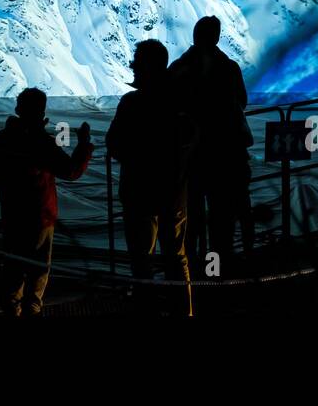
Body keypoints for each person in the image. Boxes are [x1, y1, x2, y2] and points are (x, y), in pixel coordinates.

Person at [0, 87, 93, 316]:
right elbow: (71, 171)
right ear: (41, 111)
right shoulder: (41, 142)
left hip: (12, 215)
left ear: (17, 109)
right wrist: (83, 145)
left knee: (12, 270)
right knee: (37, 273)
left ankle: (11, 311)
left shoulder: (1, 140)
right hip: (42, 217)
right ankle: (31, 311)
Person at [107, 39, 197, 315]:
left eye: (137, 63)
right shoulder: (181, 101)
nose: (133, 68)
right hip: (173, 194)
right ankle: (184, 312)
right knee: (176, 258)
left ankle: (146, 310)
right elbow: (192, 140)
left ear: (145, 67)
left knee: (141, 260)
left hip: (138, 193)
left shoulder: (131, 103)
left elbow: (114, 144)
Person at [169, 16, 254, 273]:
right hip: (225, 155)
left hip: (191, 157)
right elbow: (241, 101)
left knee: (190, 217)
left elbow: (170, 104)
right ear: (216, 38)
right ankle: (219, 268)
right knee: (223, 217)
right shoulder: (229, 68)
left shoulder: (180, 69)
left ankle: (191, 269)